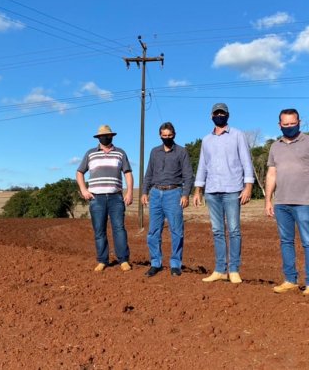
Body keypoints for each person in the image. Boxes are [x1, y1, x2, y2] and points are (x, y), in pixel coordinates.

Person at [265, 108, 309, 296]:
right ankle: (290, 280)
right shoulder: (275, 146)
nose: (290, 127)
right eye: (286, 125)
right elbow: (271, 173)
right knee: (286, 241)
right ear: (279, 125)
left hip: (304, 202)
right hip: (281, 202)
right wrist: (268, 200)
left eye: (293, 124)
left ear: (299, 122)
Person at [193, 103, 254, 284]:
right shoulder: (206, 140)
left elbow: (246, 160)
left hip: (232, 189)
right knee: (217, 231)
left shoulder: (237, 135)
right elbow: (202, 166)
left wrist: (248, 186)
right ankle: (220, 269)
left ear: (227, 115)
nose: (219, 115)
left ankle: (234, 269)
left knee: (234, 230)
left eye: (222, 113)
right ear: (211, 115)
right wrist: (198, 190)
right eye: (216, 113)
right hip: (212, 191)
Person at [76, 124, 135, 272]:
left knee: (119, 229)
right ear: (98, 138)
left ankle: (123, 260)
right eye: (102, 136)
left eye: (108, 135)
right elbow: (79, 172)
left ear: (112, 136)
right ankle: (102, 260)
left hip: (116, 197)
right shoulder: (90, 153)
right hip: (96, 198)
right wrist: (84, 190)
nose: (105, 138)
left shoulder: (120, 153)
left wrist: (129, 193)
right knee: (99, 230)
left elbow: (127, 173)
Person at [141, 122, 194, 277]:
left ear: (174, 135)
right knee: (153, 231)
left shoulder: (181, 152)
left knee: (176, 230)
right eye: (164, 136)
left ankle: (175, 264)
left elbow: (188, 175)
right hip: (156, 193)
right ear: (160, 136)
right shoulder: (154, 152)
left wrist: (185, 194)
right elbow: (148, 174)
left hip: (174, 193)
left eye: (169, 136)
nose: (167, 138)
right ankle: (155, 263)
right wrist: (144, 192)